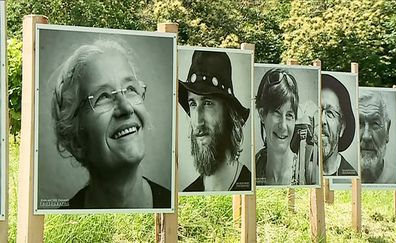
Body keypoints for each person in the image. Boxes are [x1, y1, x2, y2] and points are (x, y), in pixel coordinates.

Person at [52, 39, 170, 209]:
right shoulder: (62, 223)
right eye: (103, 97)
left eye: (130, 89)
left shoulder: (174, 205)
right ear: (76, 141)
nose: (126, 107)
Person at [179, 50, 251, 192]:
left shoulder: (249, 183)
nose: (198, 122)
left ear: (228, 113)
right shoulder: (188, 193)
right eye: (193, 104)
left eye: (208, 103)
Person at [255, 69, 318, 186]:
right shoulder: (253, 168)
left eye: (289, 115)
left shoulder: (308, 171)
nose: (283, 126)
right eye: (277, 113)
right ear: (262, 114)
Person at [321, 74, 357, 176]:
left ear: (342, 127)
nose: (322, 120)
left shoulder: (350, 176)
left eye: (330, 113)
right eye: (318, 111)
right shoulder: (299, 174)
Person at [359, 91, 394, 183]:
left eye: (375, 124)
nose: (366, 137)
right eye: (360, 123)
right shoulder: (338, 178)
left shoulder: (394, 178)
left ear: (387, 131)